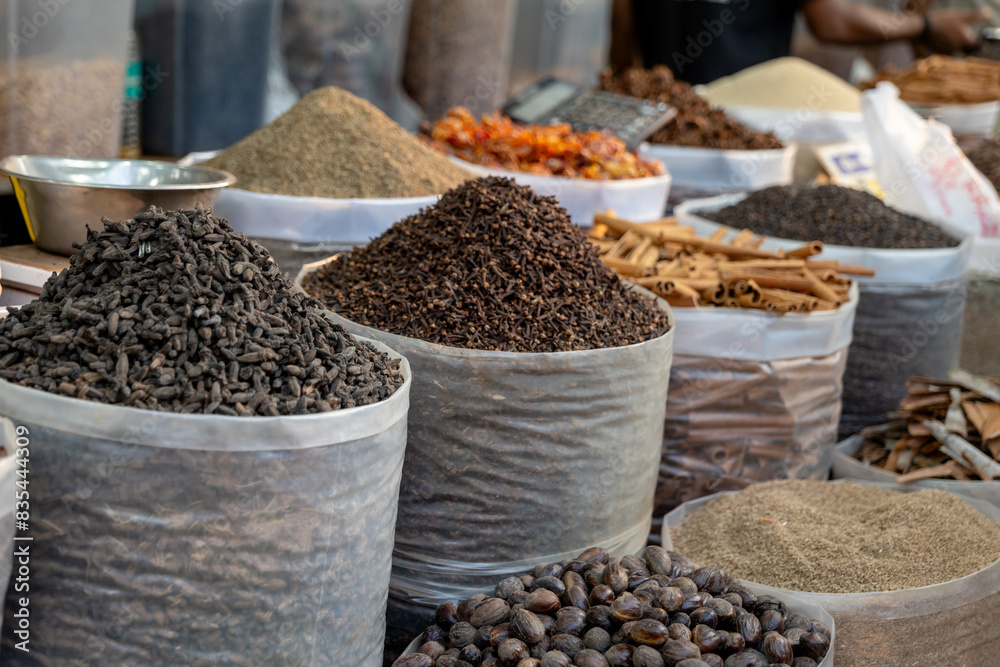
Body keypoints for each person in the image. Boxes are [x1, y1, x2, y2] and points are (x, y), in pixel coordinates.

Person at [629, 0, 991, 85]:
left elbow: (621, 14)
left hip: (658, 106)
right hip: (747, 113)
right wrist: (924, 25)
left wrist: (620, 87)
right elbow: (830, 18)